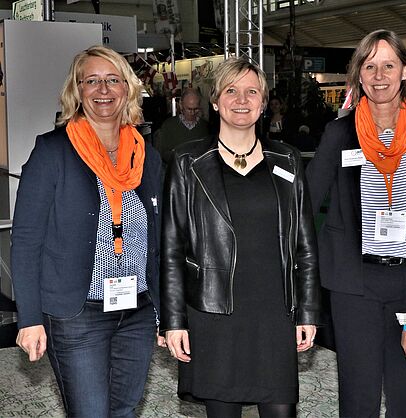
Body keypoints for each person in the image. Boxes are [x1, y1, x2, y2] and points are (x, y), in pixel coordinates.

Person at [160, 57, 322, 418]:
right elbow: (171, 248)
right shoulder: (187, 162)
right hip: (214, 313)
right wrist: (174, 321)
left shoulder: (288, 160)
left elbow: (305, 245)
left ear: (264, 103)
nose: (241, 99)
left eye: (252, 91)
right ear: (215, 101)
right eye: (231, 91)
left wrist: (308, 310)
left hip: (274, 313)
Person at [11, 45, 162, 417]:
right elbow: (26, 240)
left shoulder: (146, 155)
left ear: (127, 88)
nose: (103, 89)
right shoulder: (52, 151)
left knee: (124, 411)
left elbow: (161, 238)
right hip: (78, 314)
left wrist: (167, 310)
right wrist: (29, 318)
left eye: (112, 80)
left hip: (137, 311)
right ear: (77, 91)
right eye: (91, 81)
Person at [306, 29, 406, 418]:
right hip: (354, 283)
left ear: (405, 71)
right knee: (359, 396)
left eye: (388, 65)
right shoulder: (340, 133)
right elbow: (304, 205)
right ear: (359, 75)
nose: (380, 75)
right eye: (370, 66)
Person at [153, 87, 210, 163]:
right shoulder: (168, 125)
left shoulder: (206, 127)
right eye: (189, 109)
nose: (192, 113)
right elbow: (161, 154)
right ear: (181, 105)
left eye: (196, 109)